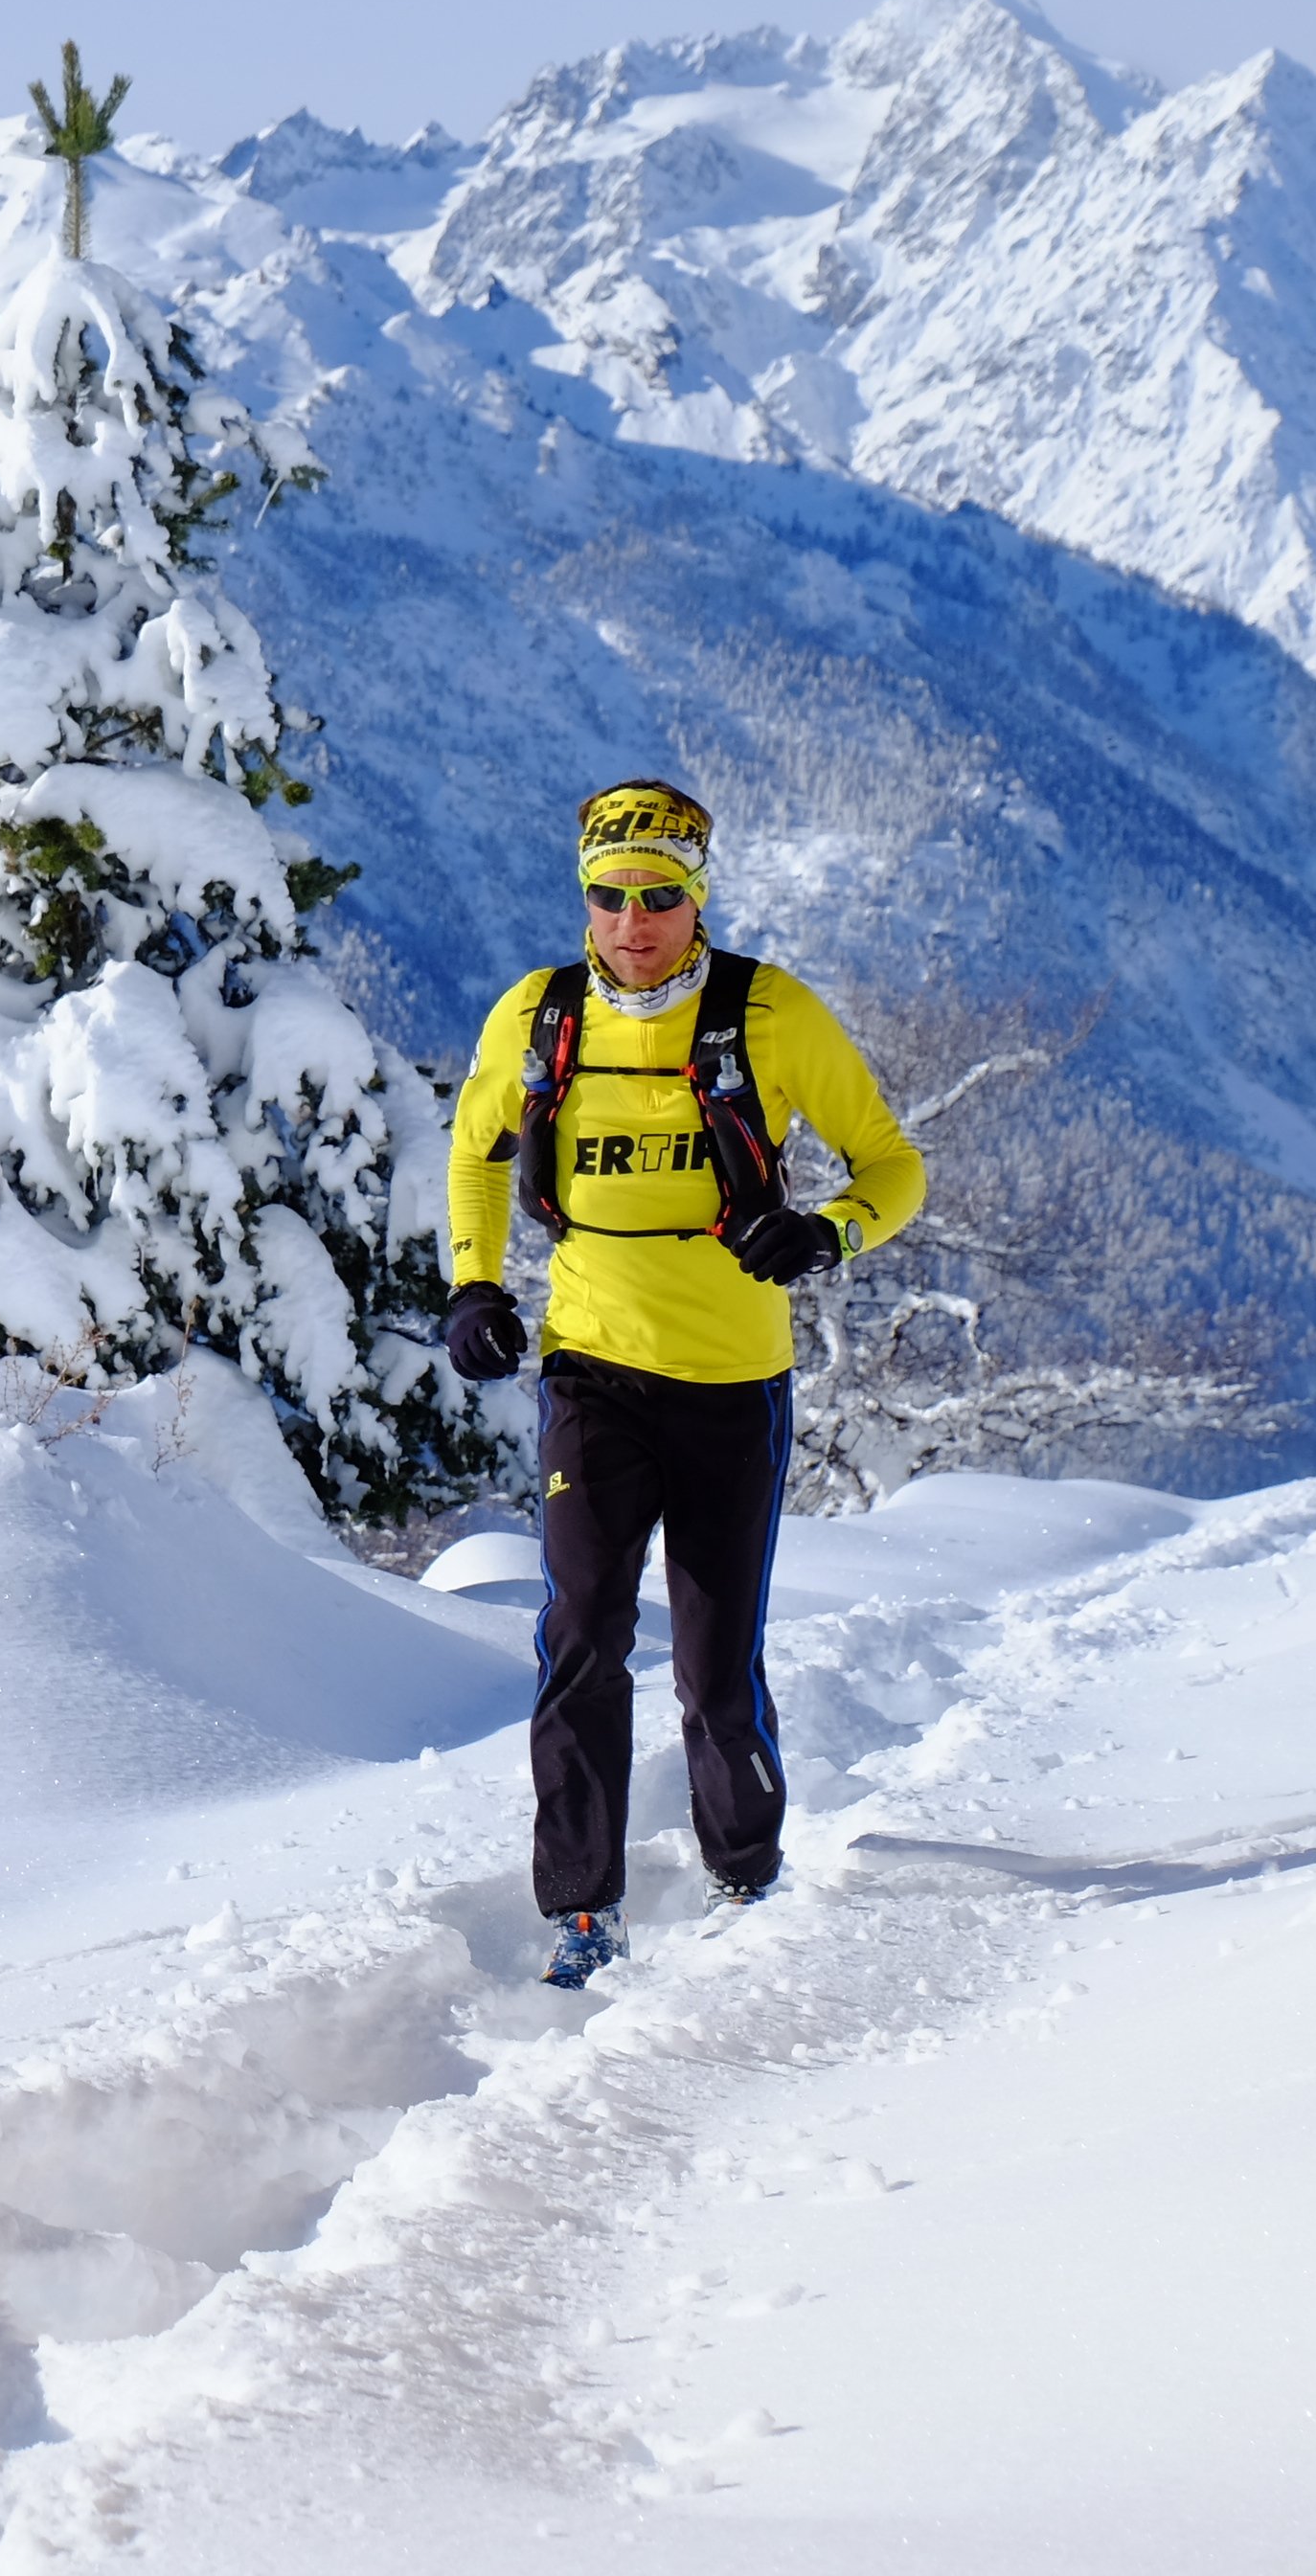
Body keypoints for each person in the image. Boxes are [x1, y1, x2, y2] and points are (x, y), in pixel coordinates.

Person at [438, 780, 925, 1990]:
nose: (633, 920)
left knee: (714, 1661)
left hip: (731, 1377)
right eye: (609, 895)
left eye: (659, 895)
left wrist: (830, 1237)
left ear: (696, 896)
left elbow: (894, 1165)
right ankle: (581, 1910)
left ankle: (747, 1876)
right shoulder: (540, 1017)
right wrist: (473, 1286)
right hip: (592, 1369)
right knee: (582, 1636)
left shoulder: (766, 1014)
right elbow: (475, 1152)